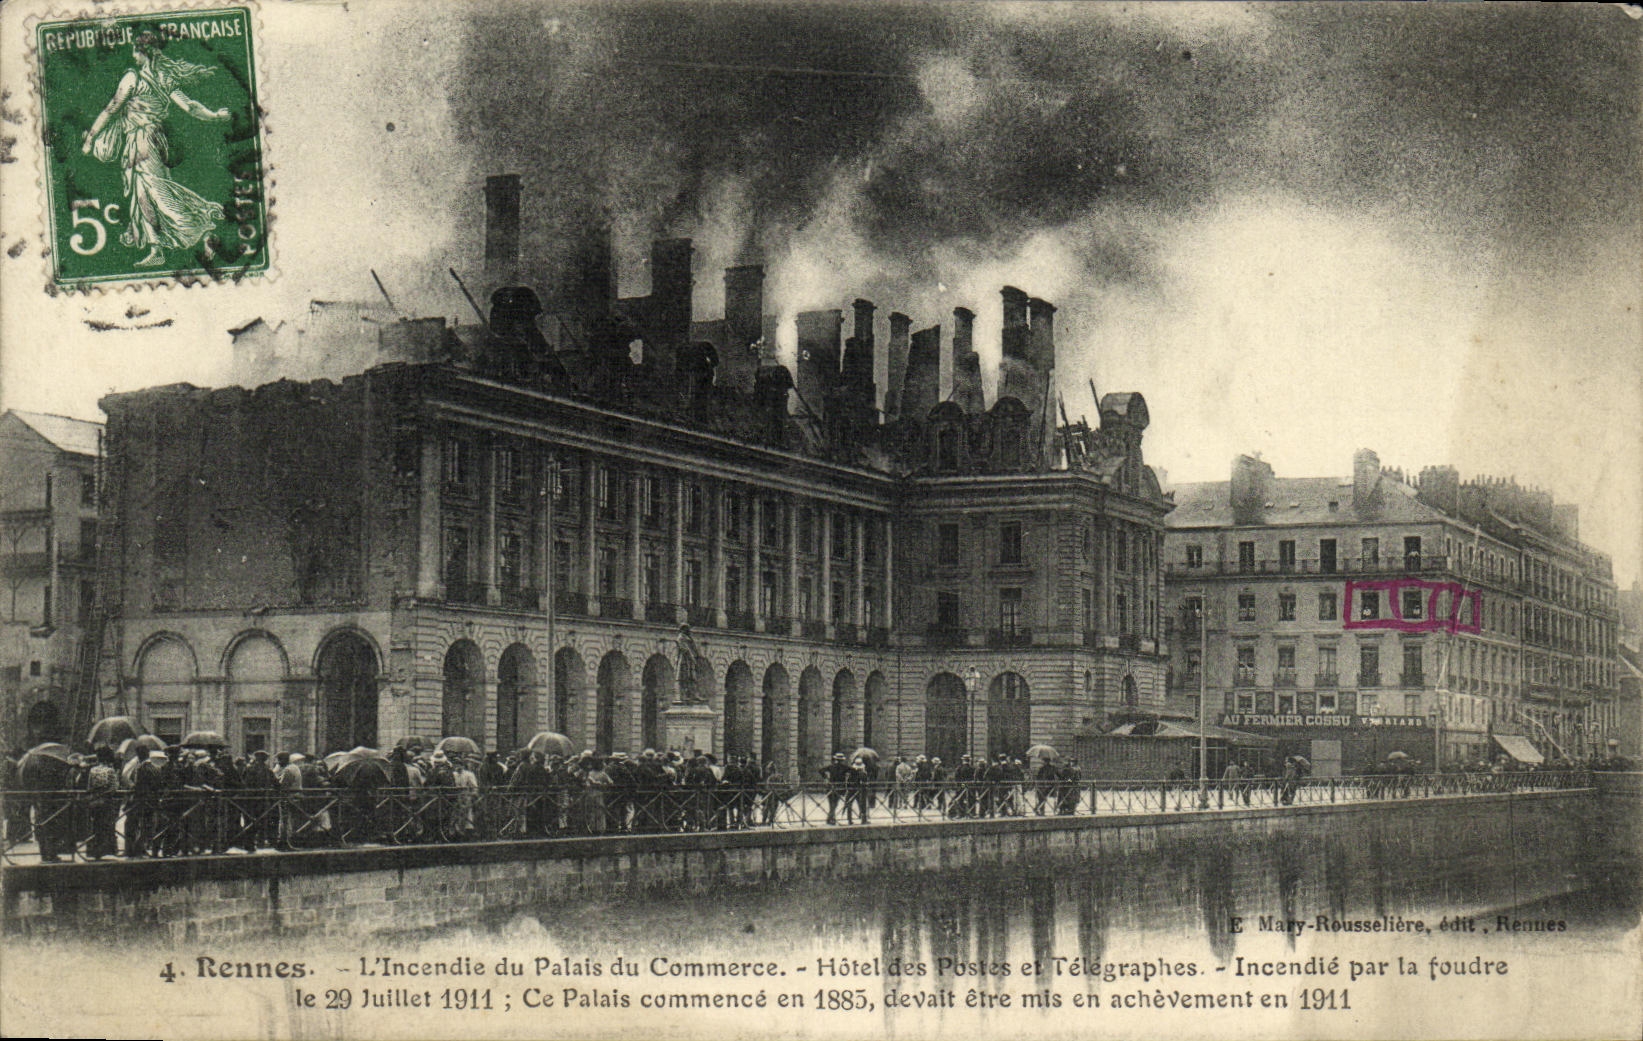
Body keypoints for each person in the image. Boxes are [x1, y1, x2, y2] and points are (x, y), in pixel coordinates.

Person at [79, 33, 232, 267]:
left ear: (144, 52)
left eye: (134, 51)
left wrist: (91, 137)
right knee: (143, 194)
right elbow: (190, 107)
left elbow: (111, 109)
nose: (132, 55)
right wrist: (215, 116)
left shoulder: (133, 78)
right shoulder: (165, 79)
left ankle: (202, 227)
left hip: (141, 142)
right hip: (153, 142)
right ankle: (156, 248)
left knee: (158, 194)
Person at [85, 747, 121, 860]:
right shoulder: (110, 770)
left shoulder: (92, 770)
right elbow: (114, 787)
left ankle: (94, 851)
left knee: (95, 826)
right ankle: (107, 850)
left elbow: (89, 787)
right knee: (107, 826)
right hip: (106, 802)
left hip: (94, 801)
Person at [822, 752, 851, 825]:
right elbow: (853, 771)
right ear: (842, 760)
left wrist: (826, 777)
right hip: (839, 788)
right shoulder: (844, 767)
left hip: (831, 787)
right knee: (835, 804)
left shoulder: (831, 766)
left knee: (832, 804)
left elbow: (821, 770)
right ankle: (831, 819)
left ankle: (830, 819)